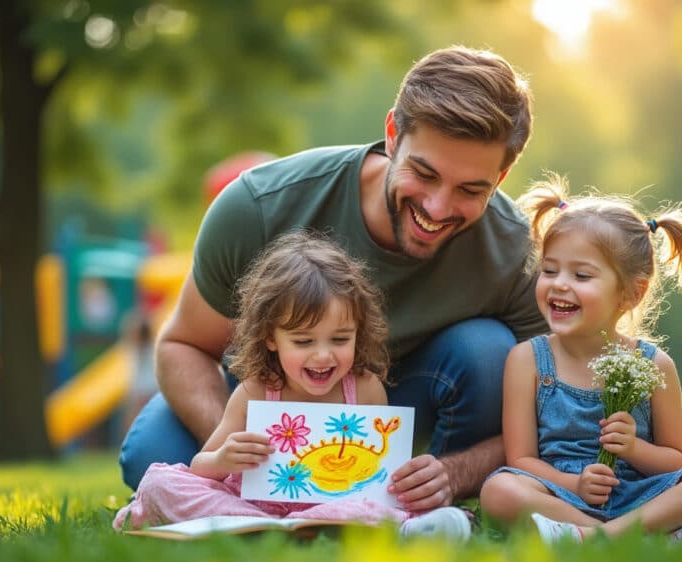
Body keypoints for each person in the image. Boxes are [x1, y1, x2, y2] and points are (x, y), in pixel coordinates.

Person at [120, 46, 547, 513]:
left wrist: (453, 472)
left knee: (488, 351)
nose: (438, 208)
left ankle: (417, 505)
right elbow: (182, 345)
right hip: (263, 393)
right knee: (150, 455)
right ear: (392, 136)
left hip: (396, 400)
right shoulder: (260, 205)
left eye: (471, 190)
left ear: (501, 177)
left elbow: (552, 404)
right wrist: (243, 448)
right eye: (423, 174)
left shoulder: (518, 253)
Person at [114, 232, 471, 539]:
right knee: (163, 484)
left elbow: (380, 474)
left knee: (387, 502)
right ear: (271, 338)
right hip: (250, 506)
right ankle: (265, 526)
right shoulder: (255, 391)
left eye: (340, 339)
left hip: (337, 505)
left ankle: (379, 527)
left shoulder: (364, 388)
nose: (323, 356)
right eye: (303, 342)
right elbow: (201, 466)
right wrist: (225, 458)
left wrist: (405, 478)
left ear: (358, 332)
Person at [479, 176, 682, 543]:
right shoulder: (527, 360)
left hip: (645, 497)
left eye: (581, 275)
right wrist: (575, 485)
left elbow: (677, 460)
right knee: (498, 491)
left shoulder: (654, 364)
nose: (560, 283)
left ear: (631, 293)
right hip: (564, 498)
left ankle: (603, 536)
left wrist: (633, 449)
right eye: (549, 270)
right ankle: (654, 536)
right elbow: (521, 460)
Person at [121, 312, 157, 436]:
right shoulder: (140, 349)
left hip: (143, 390)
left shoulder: (141, 349)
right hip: (146, 389)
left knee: (135, 421)